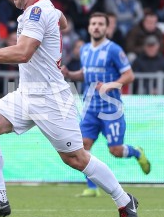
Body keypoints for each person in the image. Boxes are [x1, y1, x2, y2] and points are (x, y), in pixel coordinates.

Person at [0, 0, 140, 217]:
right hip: (26, 93)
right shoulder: (44, 9)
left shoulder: (36, 14)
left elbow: (23, 52)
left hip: (51, 98)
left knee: (76, 159)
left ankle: (124, 200)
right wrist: (52, 12)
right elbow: (62, 20)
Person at [61, 12, 151, 197]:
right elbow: (86, 73)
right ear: (88, 27)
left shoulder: (114, 50)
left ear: (107, 28)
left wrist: (110, 85)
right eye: (93, 23)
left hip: (111, 109)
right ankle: (92, 188)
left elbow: (129, 75)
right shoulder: (85, 49)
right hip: (90, 108)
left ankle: (136, 152)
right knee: (83, 147)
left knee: (115, 150)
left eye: (100, 24)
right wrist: (70, 74)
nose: (96, 27)